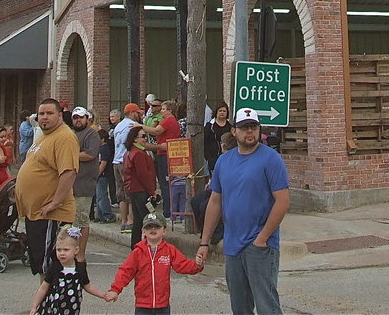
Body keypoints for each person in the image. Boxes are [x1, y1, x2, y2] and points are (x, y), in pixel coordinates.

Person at [195, 107, 290, 315]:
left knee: (267, 306)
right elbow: (215, 202)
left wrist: (263, 238)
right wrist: (205, 242)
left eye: (253, 127)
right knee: (239, 307)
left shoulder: (271, 159)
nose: (249, 132)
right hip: (232, 245)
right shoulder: (224, 161)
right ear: (234, 132)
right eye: (244, 128)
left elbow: (282, 201)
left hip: (260, 245)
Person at [16, 98, 80, 278]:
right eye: (41, 114)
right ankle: (46, 302)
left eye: (50, 113)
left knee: (52, 265)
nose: (44, 117)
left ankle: (54, 303)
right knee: (41, 265)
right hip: (36, 212)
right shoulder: (45, 136)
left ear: (60, 116)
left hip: (51, 213)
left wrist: (55, 203)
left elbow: (68, 172)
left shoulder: (64, 137)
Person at [108, 212, 202, 311]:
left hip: (163, 305)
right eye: (149, 227)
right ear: (143, 231)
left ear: (164, 231)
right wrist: (115, 289)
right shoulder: (137, 252)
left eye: (157, 227)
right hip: (142, 305)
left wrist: (197, 265)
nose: (153, 229)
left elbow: (182, 264)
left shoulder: (169, 250)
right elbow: (125, 271)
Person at [28, 225, 111, 314]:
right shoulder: (55, 267)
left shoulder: (80, 268)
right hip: (53, 309)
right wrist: (34, 306)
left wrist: (102, 295)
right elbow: (43, 288)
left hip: (72, 309)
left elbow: (88, 286)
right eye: (59, 250)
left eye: (66, 250)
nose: (62, 253)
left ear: (76, 250)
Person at [69, 106, 101, 260]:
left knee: (81, 220)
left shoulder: (91, 134)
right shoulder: (71, 134)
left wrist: (68, 154)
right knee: (71, 220)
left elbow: (90, 154)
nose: (78, 120)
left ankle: (80, 254)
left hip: (83, 185)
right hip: (69, 185)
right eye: (75, 117)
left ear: (87, 119)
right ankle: (71, 250)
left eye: (81, 117)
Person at [121, 125, 160, 248]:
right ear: (135, 139)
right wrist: (152, 191)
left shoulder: (130, 152)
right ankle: (146, 246)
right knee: (147, 219)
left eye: (146, 136)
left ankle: (136, 246)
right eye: (143, 136)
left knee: (138, 220)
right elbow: (144, 175)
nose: (145, 139)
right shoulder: (138, 154)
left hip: (134, 190)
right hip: (140, 190)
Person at [113, 103, 143, 234]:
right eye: (137, 113)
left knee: (121, 194)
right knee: (130, 192)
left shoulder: (118, 126)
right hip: (126, 161)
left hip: (116, 161)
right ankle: (131, 221)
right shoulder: (131, 126)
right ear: (131, 113)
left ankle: (123, 221)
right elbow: (131, 143)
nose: (139, 115)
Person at [94, 128, 116, 223]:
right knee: (99, 196)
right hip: (99, 175)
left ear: (102, 139)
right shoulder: (100, 148)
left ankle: (108, 215)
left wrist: (97, 174)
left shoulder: (105, 149)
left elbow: (103, 163)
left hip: (103, 175)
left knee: (102, 195)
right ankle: (100, 215)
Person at [204, 101, 233, 173]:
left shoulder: (230, 127)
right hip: (213, 160)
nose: (222, 113)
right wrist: (208, 158)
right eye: (220, 111)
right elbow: (204, 142)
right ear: (216, 112)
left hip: (227, 160)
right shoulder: (210, 126)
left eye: (224, 111)